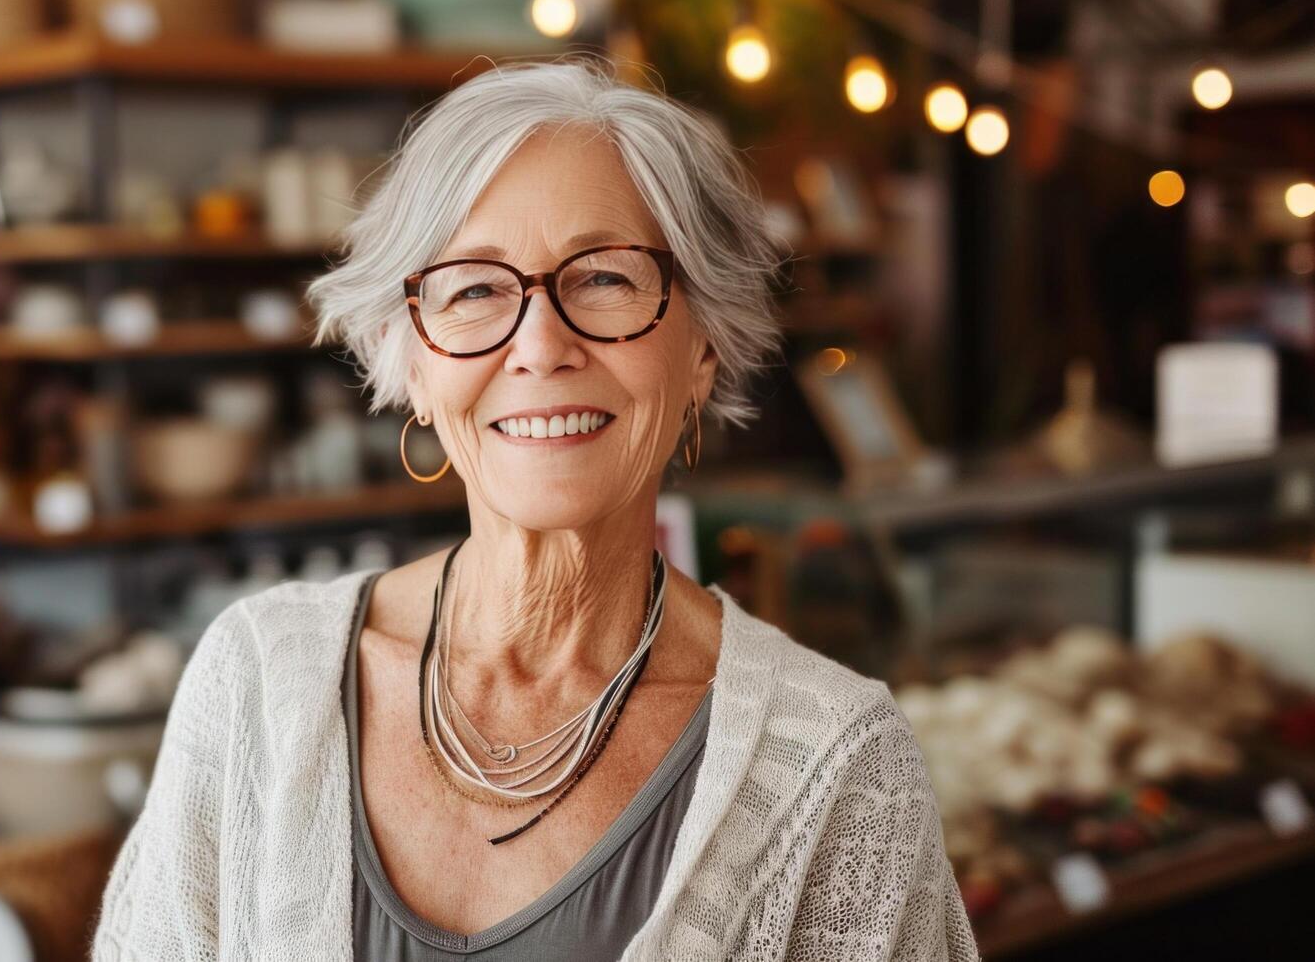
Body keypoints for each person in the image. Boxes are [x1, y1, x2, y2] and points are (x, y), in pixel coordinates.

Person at [95, 58, 978, 961]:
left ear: (703, 345)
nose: (541, 345)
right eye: (476, 288)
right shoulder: (257, 685)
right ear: (415, 366)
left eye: (603, 278)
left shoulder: (837, 775)